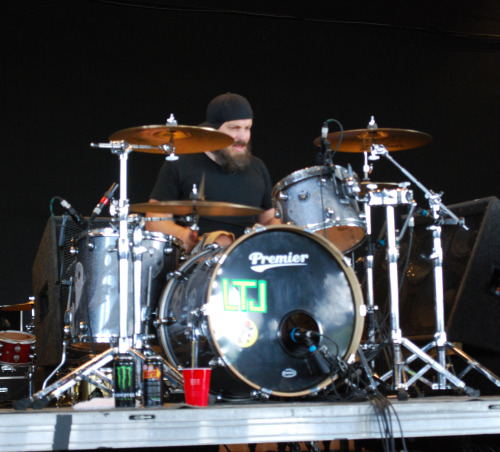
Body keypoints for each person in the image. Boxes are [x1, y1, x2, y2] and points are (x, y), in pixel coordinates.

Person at [146, 92, 280, 252]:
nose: (243, 137)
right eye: (234, 128)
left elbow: (270, 219)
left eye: (247, 128)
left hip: (249, 263)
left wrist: (278, 232)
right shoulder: (180, 163)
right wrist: (183, 234)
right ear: (213, 130)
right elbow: (154, 221)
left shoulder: (258, 167)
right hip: (198, 263)